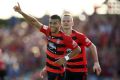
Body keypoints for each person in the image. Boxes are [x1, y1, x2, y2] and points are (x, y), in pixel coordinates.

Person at [13, 3, 81, 80]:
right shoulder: (48, 31)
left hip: (58, 74)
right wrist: (21, 12)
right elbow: (34, 22)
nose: (52, 25)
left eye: (54, 23)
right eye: (50, 23)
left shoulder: (65, 38)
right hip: (49, 71)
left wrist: (65, 58)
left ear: (59, 24)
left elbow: (78, 49)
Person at [61, 12, 101, 80]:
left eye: (68, 21)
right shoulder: (60, 38)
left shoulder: (79, 36)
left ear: (72, 23)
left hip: (80, 71)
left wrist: (96, 62)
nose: (66, 22)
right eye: (64, 21)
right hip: (68, 71)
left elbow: (92, 46)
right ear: (61, 23)